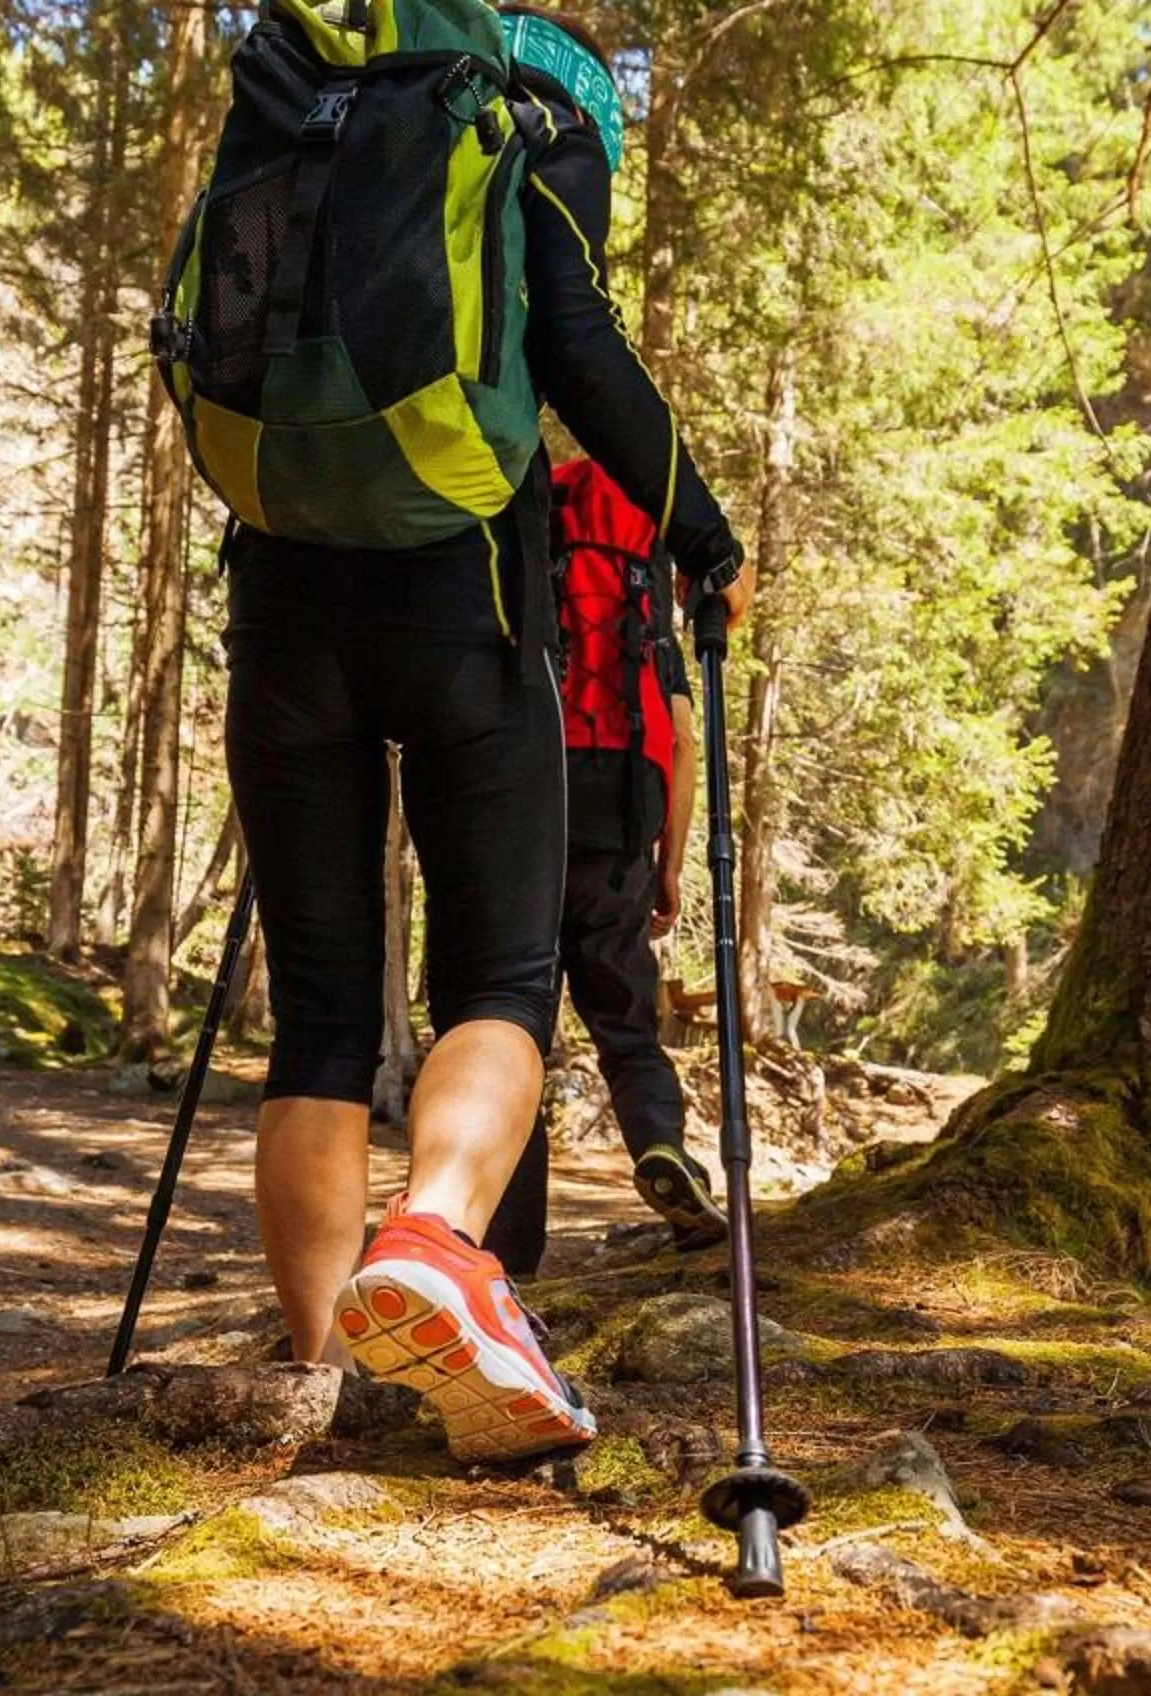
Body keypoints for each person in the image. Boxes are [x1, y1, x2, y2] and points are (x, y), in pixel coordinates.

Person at [222, 0, 750, 1465]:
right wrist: (700, 536)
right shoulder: (543, 111)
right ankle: (442, 1250)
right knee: (504, 982)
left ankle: (333, 1364)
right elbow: (575, 342)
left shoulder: (311, 97)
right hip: (465, 589)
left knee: (322, 1018)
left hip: (279, 590)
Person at [480, 455, 729, 1282]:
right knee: (627, 1023)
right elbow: (684, 742)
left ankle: (507, 1252)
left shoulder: (530, 568)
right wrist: (670, 862)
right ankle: (661, 1144)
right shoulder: (643, 595)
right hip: (620, 820)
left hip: (525, 815)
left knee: (516, 1026)